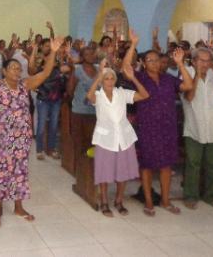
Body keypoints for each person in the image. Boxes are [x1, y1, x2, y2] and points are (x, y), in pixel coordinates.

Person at [0, 28, 63, 226]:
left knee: (20, 171)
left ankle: (18, 206)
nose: (17, 70)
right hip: (2, 138)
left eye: (18, 68)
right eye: (12, 68)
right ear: (4, 71)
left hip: (21, 137)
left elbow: (46, 72)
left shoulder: (26, 85)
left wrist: (54, 52)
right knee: (0, 171)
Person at [123, 30, 193, 216]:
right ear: (144, 64)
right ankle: (148, 202)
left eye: (158, 60)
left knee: (166, 165)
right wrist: (133, 44)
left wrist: (180, 63)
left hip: (168, 127)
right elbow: (125, 68)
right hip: (148, 127)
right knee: (147, 165)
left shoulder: (168, 79)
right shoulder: (140, 78)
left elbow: (188, 85)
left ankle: (165, 200)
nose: (156, 63)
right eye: (151, 60)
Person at [86, 57, 149, 217]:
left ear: (115, 80)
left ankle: (119, 200)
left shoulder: (122, 93)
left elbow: (144, 95)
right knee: (104, 171)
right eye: (106, 78)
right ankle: (105, 201)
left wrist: (133, 77)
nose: (109, 80)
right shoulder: (99, 95)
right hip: (105, 138)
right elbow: (89, 96)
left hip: (124, 137)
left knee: (123, 170)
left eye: (111, 77)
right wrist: (99, 76)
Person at [182, 48, 213, 211]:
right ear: (194, 61)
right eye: (201, 61)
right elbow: (189, 97)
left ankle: (212, 196)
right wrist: (197, 74)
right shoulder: (186, 74)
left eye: (208, 61)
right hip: (194, 128)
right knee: (193, 164)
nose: (205, 64)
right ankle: (190, 195)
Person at [66, 47, 98, 174]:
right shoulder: (78, 70)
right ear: (82, 57)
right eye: (87, 53)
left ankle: (88, 170)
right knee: (79, 141)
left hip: (95, 112)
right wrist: (72, 73)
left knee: (92, 142)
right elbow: (69, 91)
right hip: (79, 111)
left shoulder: (99, 69)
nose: (91, 55)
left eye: (92, 52)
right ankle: (78, 170)